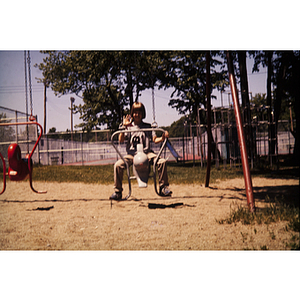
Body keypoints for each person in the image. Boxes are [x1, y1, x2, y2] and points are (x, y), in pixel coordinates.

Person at [109, 102, 172, 200]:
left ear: (143, 114)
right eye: (135, 112)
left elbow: (155, 139)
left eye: (139, 112)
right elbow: (121, 140)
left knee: (162, 162)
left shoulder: (148, 126)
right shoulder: (129, 127)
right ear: (132, 114)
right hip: (132, 154)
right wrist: (124, 127)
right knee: (118, 165)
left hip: (147, 153)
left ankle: (163, 187)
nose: (137, 114)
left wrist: (163, 137)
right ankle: (118, 191)